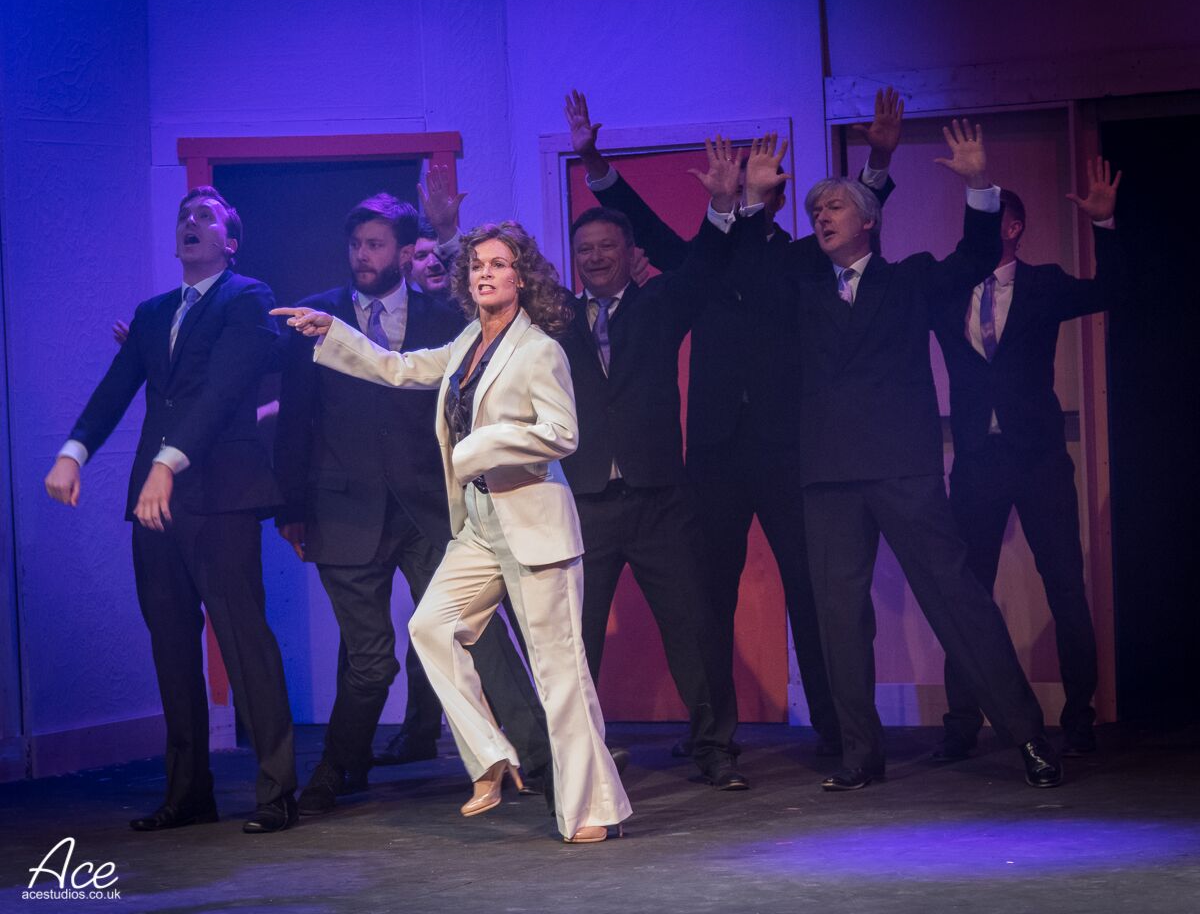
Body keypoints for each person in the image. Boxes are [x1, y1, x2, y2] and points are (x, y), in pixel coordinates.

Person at [563, 88, 902, 759]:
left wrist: (880, 161)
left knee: (809, 591)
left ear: (776, 195)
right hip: (714, 453)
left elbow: (859, 224)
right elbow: (635, 222)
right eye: (741, 182)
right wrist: (594, 162)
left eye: (757, 183)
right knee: (706, 597)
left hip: (785, 449)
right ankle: (712, 736)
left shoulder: (801, 256)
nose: (746, 188)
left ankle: (837, 730)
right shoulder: (702, 257)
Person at [273, 220, 631, 843]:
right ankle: (490, 754)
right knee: (430, 628)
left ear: (522, 277)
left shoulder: (539, 349)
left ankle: (591, 809)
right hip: (480, 523)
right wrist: (334, 332)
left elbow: (562, 434)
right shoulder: (469, 340)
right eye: (477, 266)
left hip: (533, 522)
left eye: (499, 264)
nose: (485, 273)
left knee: (560, 674)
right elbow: (399, 368)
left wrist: (480, 446)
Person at [733, 124, 1063, 791]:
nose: (821, 215)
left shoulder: (909, 279)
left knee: (956, 598)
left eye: (835, 206)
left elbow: (975, 255)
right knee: (838, 617)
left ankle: (1028, 737)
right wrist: (751, 203)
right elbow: (746, 275)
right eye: (815, 210)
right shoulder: (802, 287)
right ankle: (860, 755)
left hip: (902, 466)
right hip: (828, 474)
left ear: (869, 222)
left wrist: (979, 185)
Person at [44, 186, 298, 833]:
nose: (191, 221)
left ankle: (276, 790)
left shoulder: (247, 297)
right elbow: (115, 390)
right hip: (154, 505)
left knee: (244, 639)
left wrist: (167, 461)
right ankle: (188, 793)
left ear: (229, 241)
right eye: (185, 214)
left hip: (221, 496)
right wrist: (74, 452)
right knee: (171, 645)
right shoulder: (154, 313)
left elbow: (221, 392)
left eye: (205, 216)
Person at [553, 135, 745, 790]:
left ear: (629, 253)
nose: (595, 257)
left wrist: (722, 207)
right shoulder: (554, 321)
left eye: (606, 246)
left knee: (693, 626)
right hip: (585, 504)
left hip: (661, 498)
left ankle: (714, 747)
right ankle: (576, 755)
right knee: (576, 636)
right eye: (584, 249)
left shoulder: (661, 303)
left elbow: (706, 267)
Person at [930, 158, 1125, 761]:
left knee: (1065, 585)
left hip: (1039, 460)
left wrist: (1104, 224)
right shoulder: (948, 288)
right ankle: (961, 721)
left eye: (990, 220)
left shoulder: (1044, 285)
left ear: (1012, 228)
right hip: (977, 463)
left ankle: (1080, 717)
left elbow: (1114, 290)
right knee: (967, 592)